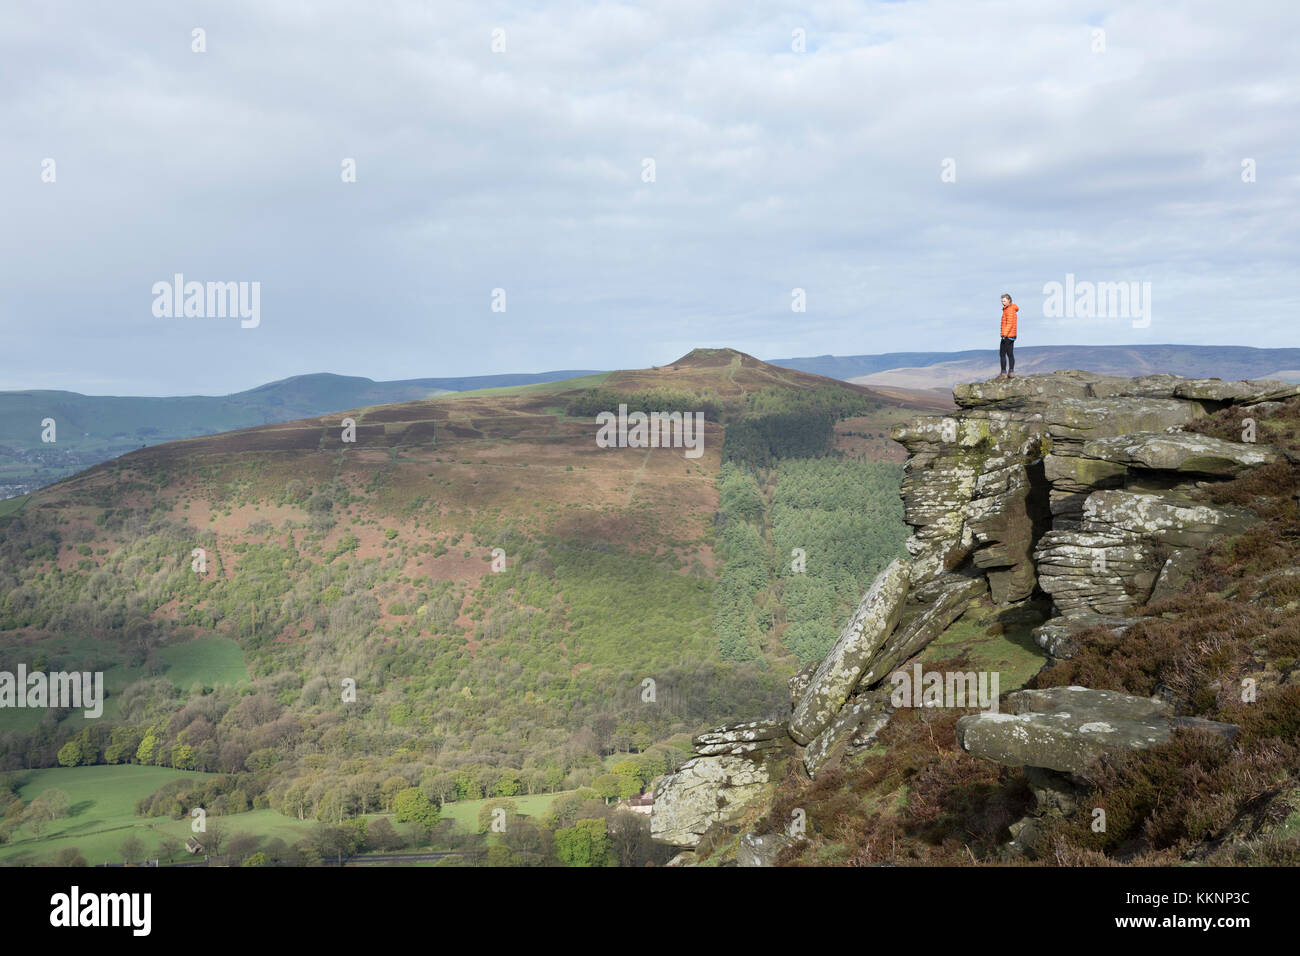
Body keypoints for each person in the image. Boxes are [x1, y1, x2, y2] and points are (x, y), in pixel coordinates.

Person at [998, 293, 1018, 379]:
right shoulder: (1010, 309)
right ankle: (1011, 372)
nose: (1003, 302)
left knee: (1002, 354)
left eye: (1004, 301)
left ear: (1009, 300)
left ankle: (1003, 373)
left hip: (1007, 336)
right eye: (1002, 301)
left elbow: (1009, 324)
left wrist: (1004, 335)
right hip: (1012, 335)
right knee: (1010, 354)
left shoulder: (1009, 310)